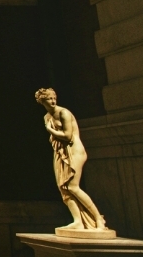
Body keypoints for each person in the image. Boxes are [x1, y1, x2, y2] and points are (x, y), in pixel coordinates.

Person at [34, 88, 107, 231]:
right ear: (42, 101)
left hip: (74, 151)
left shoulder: (63, 113)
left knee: (73, 186)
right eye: (49, 98)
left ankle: (99, 219)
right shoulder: (46, 117)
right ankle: (78, 221)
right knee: (64, 189)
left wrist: (51, 131)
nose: (53, 101)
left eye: (54, 97)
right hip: (60, 152)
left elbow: (68, 136)